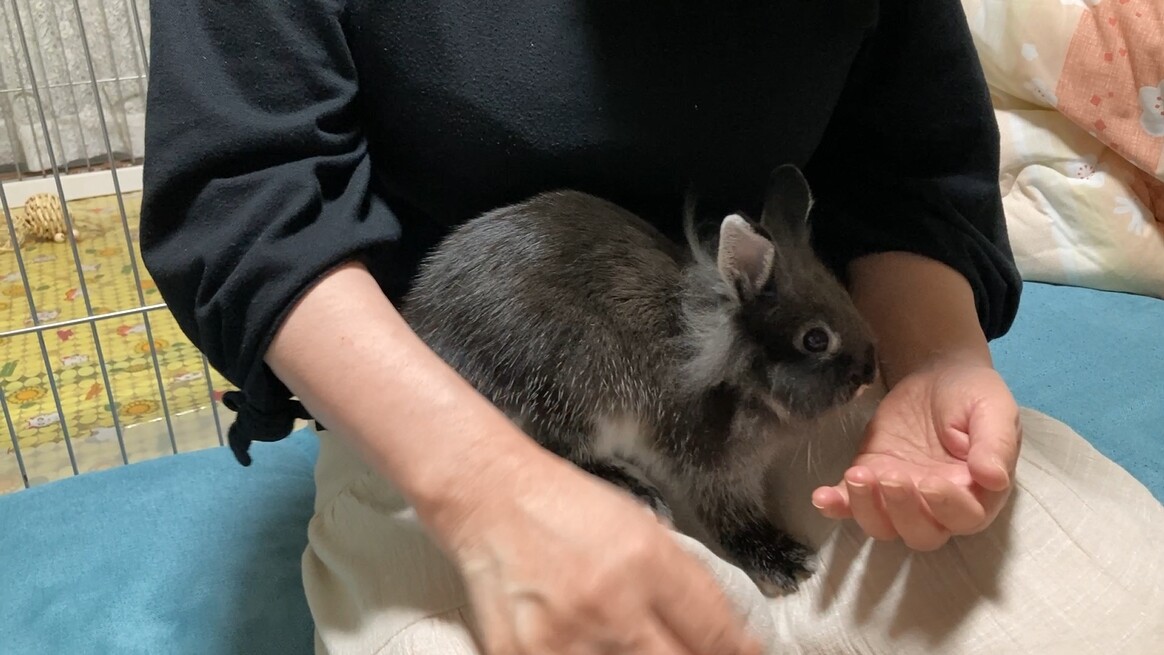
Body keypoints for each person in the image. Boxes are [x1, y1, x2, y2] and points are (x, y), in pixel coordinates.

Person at [138, 1, 1164, 654]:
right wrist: (488, 489)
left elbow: (908, 160)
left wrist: (935, 357)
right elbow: (250, 196)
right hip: (441, 401)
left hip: (762, 366)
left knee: (1115, 613)